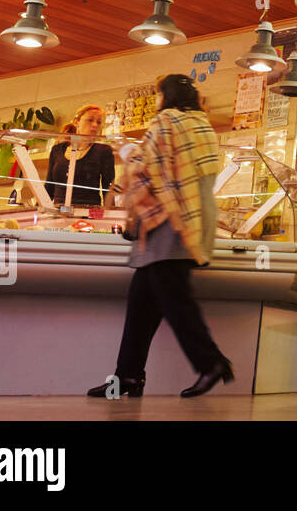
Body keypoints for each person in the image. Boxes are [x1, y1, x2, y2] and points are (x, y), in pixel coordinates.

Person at [88, 74, 230, 399]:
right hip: (193, 218)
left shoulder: (166, 121)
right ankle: (128, 376)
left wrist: (127, 151)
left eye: (157, 95)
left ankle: (211, 362)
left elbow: (149, 167)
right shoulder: (203, 126)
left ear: (166, 97)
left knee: (176, 301)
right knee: (141, 304)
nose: (156, 102)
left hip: (168, 222)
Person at [46, 104, 116, 208]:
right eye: (90, 120)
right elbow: (49, 186)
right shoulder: (57, 150)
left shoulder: (103, 151)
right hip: (59, 211)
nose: (95, 125)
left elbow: (108, 190)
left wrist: (110, 215)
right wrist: (39, 211)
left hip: (89, 212)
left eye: (99, 122)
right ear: (76, 122)